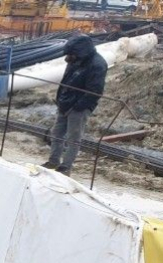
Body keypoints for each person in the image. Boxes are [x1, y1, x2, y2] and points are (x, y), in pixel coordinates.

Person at [42, 34, 108, 175]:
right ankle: (53, 161)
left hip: (79, 107)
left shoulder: (97, 64)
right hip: (65, 103)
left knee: (74, 137)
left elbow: (95, 91)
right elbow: (66, 81)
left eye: (71, 54)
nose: (69, 57)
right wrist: (61, 100)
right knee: (57, 133)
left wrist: (77, 106)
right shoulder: (75, 60)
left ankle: (66, 167)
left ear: (80, 52)